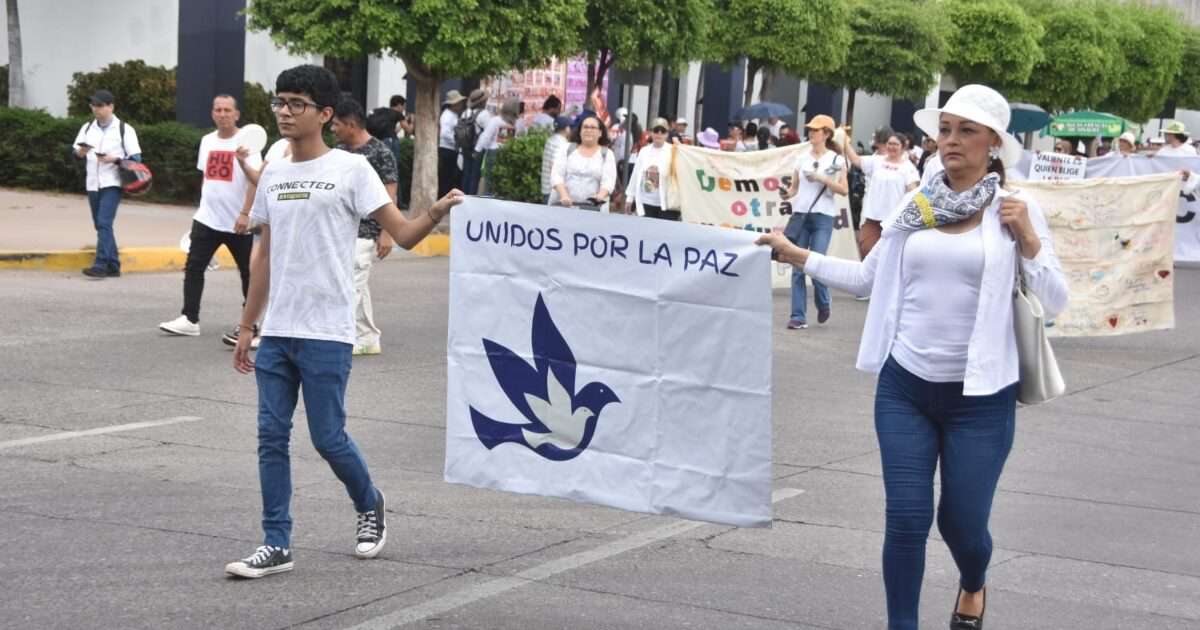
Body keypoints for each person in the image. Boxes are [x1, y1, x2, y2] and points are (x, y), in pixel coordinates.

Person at [757, 84, 1069, 630]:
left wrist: (1029, 242)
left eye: (965, 131)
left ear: (994, 142)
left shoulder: (1015, 210)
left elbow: (1057, 302)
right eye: (944, 130)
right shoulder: (914, 204)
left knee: (962, 525)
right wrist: (795, 254)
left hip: (980, 397)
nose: (950, 141)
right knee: (905, 521)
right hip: (905, 388)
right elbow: (864, 280)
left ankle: (974, 583)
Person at [224, 64, 465, 579]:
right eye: (279, 103)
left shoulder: (352, 171)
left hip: (328, 329)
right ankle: (276, 542)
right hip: (279, 331)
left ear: (325, 114)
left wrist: (439, 209)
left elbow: (402, 234)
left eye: (296, 104)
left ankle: (369, 501)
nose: (285, 112)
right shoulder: (275, 174)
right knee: (270, 436)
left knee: (327, 437)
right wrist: (248, 326)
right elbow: (263, 257)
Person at [158, 95, 263, 343]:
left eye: (228, 110)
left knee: (249, 273)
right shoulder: (207, 141)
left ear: (237, 115)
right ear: (212, 113)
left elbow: (255, 181)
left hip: (238, 221)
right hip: (206, 219)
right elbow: (208, 178)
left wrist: (245, 214)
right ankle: (189, 319)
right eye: (218, 109)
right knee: (194, 267)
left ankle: (252, 324)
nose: (223, 114)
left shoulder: (247, 143)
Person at [330, 96, 399, 356]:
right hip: (342, 230)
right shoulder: (339, 152)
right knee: (357, 284)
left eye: (336, 124)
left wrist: (387, 232)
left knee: (349, 286)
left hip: (366, 231)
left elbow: (390, 195)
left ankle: (337, 339)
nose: (333, 129)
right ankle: (368, 337)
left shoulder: (380, 153)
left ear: (351, 124)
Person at [779, 114, 848, 329]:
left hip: (823, 217)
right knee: (797, 266)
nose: (811, 133)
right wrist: (786, 194)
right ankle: (798, 316)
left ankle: (823, 301)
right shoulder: (801, 159)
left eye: (816, 130)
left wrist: (820, 178)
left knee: (817, 264)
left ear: (826, 134)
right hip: (801, 215)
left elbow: (843, 190)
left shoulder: (836, 160)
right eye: (809, 129)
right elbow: (794, 189)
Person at [72, 89, 143, 278]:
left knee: (104, 222)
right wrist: (80, 152)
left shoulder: (124, 129)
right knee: (100, 224)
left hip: (113, 182)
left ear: (111, 106)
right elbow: (76, 151)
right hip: (93, 183)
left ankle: (101, 264)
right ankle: (113, 264)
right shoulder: (87, 128)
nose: (96, 109)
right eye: (94, 105)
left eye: (101, 105)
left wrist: (115, 160)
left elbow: (136, 158)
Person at [844, 131, 921, 257]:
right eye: (889, 144)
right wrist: (845, 142)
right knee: (866, 250)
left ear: (902, 147)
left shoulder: (908, 167)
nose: (892, 147)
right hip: (872, 217)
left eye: (896, 144)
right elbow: (856, 160)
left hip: (893, 221)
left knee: (888, 256)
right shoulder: (876, 161)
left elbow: (913, 191)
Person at [550, 112, 617, 211]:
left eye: (593, 128)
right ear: (580, 131)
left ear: (600, 133)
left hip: (593, 209)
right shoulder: (566, 148)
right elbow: (556, 175)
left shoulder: (607, 154)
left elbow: (608, 181)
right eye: (585, 127)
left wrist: (600, 196)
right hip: (564, 206)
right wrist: (564, 195)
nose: (588, 130)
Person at [625, 117, 675, 220]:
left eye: (663, 131)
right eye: (656, 130)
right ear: (651, 133)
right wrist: (630, 197)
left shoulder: (673, 151)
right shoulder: (644, 151)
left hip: (667, 202)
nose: (659, 134)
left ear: (667, 134)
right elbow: (636, 174)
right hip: (646, 201)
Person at [475, 98, 519, 195]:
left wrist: (478, 150)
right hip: (508, 154)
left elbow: (486, 136)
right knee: (502, 183)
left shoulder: (496, 120)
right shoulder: (517, 124)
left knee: (489, 181)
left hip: (493, 153)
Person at [458, 89, 490, 195]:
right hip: (477, 149)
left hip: (465, 147)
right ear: (482, 102)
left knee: (466, 175)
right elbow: (489, 133)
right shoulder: (484, 114)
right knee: (474, 176)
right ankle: (471, 200)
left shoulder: (465, 113)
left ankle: (463, 198)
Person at [438, 90, 467, 197]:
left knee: (448, 176)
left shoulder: (452, 115)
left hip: (450, 149)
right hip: (447, 149)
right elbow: (445, 134)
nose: (461, 105)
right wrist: (456, 142)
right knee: (446, 176)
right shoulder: (447, 116)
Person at [540, 115, 573, 204]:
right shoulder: (562, 144)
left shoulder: (550, 140)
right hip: (554, 192)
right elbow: (554, 166)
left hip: (546, 188)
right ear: (566, 129)